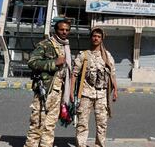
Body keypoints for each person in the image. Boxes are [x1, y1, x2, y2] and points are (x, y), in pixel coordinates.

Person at [24, 19, 72, 147]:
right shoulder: (46, 44)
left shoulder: (66, 46)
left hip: (58, 92)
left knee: (50, 126)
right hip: (45, 90)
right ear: (56, 30)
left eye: (67, 30)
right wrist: (54, 63)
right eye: (62, 29)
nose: (64, 32)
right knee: (37, 125)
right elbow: (32, 62)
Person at [71, 27, 118, 147]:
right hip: (86, 94)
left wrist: (115, 90)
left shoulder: (107, 56)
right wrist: (71, 92)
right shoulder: (84, 55)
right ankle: (81, 144)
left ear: (102, 39)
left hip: (102, 95)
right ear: (91, 37)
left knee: (102, 123)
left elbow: (112, 74)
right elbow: (74, 74)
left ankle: (99, 145)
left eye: (98, 36)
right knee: (82, 123)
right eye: (94, 36)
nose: (96, 38)